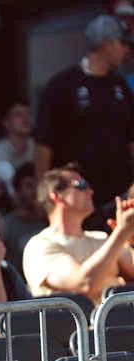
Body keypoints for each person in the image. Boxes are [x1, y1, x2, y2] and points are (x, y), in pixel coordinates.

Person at [35, 15, 134, 214]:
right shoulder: (62, 85)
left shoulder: (120, 86)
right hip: (76, 201)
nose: (127, 51)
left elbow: (131, 137)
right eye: (122, 44)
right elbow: (43, 145)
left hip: (120, 198)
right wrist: (44, 197)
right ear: (107, 44)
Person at [23, 164, 134, 304]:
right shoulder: (40, 245)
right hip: (78, 325)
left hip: (120, 322)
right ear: (56, 195)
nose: (91, 191)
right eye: (81, 185)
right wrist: (121, 234)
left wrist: (131, 241)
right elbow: (83, 284)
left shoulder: (101, 238)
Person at [1, 163, 47, 274]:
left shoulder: (52, 221)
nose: (35, 191)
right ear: (17, 191)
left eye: (39, 186)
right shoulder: (7, 225)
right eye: (29, 186)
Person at [0, 103, 34, 171]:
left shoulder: (38, 147)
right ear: (5, 122)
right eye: (18, 114)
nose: (26, 117)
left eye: (29, 113)